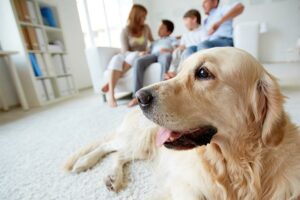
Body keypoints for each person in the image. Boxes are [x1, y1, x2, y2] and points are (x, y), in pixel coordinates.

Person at [101, 4, 154, 107]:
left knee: (135, 56)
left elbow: (153, 42)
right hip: (127, 55)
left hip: (139, 56)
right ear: (136, 16)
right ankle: (111, 95)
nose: (145, 19)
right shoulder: (125, 30)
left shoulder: (146, 28)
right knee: (116, 58)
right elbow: (124, 51)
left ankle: (110, 82)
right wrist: (137, 52)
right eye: (143, 16)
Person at [127, 19, 177, 107]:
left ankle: (162, 92)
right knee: (138, 61)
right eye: (159, 27)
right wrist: (145, 53)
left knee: (167, 57)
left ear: (168, 31)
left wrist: (168, 50)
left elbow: (176, 48)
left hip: (164, 53)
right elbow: (149, 51)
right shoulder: (155, 42)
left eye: (162, 28)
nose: (159, 29)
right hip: (153, 55)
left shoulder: (172, 39)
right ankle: (136, 95)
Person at [164, 9, 206, 80]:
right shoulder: (185, 34)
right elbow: (182, 45)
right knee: (177, 51)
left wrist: (185, 47)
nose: (184, 23)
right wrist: (178, 48)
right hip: (184, 51)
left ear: (194, 19)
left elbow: (203, 44)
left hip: (194, 51)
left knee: (185, 53)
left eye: (186, 20)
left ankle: (178, 73)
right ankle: (172, 72)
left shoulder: (203, 30)